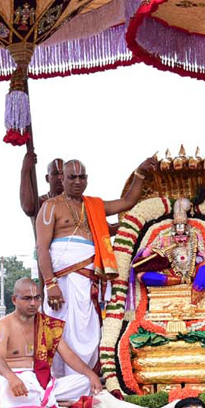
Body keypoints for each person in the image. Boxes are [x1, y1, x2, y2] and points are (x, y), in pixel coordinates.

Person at [35, 157, 153, 370]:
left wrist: (140, 173)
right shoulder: (50, 207)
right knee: (61, 334)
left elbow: (127, 202)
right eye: (72, 177)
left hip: (89, 283)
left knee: (89, 333)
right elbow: (41, 248)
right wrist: (50, 284)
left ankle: (85, 381)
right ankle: (61, 384)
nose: (77, 181)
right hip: (62, 284)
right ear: (62, 178)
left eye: (82, 177)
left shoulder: (94, 206)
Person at [0, 277, 102, 408]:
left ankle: (47, 400)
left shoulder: (47, 324)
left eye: (37, 298)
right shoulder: (3, 324)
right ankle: (52, 402)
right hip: (15, 381)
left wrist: (91, 375)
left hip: (42, 381)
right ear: (14, 300)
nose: (33, 303)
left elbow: (69, 355)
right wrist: (12, 378)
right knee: (9, 388)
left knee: (84, 382)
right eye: (27, 298)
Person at [19, 151, 63, 219]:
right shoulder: (40, 202)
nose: (59, 177)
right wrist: (25, 171)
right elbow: (28, 208)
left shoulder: (75, 201)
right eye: (55, 173)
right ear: (47, 178)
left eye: (63, 173)